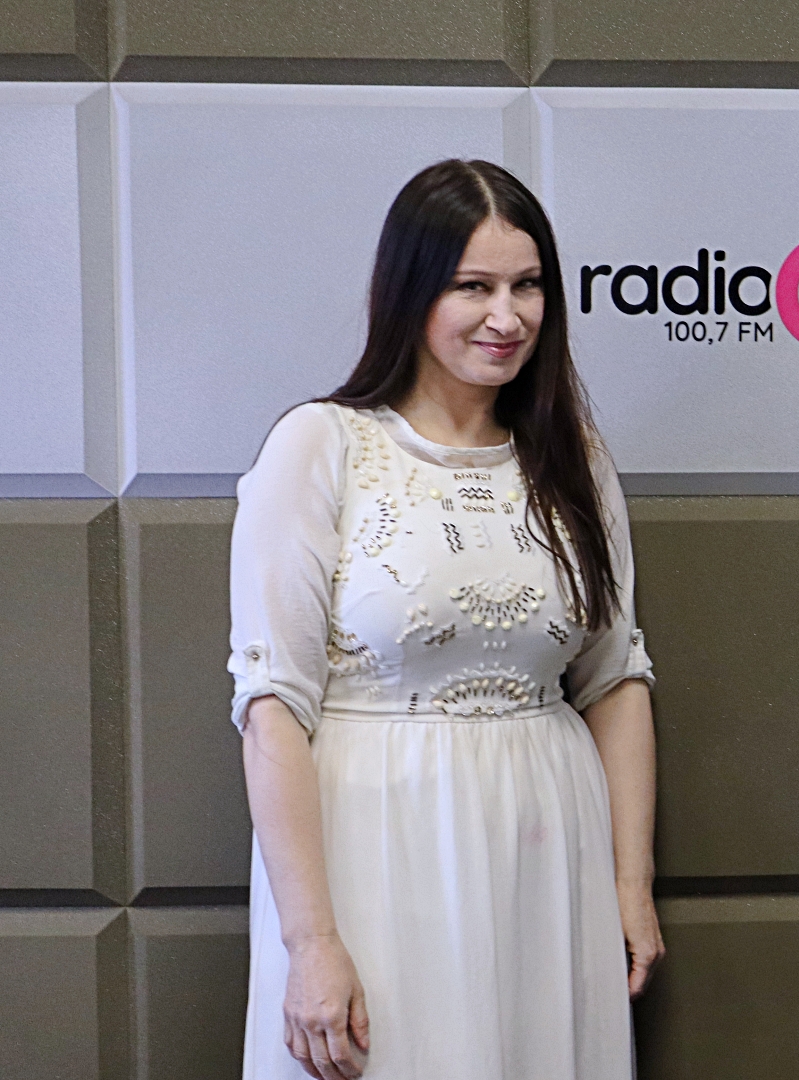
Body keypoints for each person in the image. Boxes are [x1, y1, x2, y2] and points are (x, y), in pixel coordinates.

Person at [230, 159, 661, 1080]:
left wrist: (631, 886)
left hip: (549, 854)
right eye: (474, 287)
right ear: (412, 291)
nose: (507, 317)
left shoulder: (574, 458)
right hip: (373, 853)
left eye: (528, 286)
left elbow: (615, 679)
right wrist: (311, 941)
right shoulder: (321, 444)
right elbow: (272, 709)